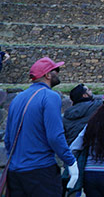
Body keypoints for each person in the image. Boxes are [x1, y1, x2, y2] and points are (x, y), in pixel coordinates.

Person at [4, 57, 78, 195]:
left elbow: (8, 139)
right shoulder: (50, 96)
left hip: (15, 172)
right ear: (48, 75)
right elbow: (55, 137)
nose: (58, 73)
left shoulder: (17, 99)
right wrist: (71, 161)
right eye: (56, 70)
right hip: (41, 171)